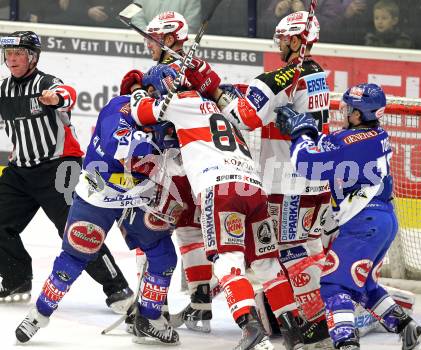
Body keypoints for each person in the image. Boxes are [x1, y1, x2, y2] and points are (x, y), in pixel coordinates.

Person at [130, 64, 308, 350]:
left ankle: (250, 328)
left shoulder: (177, 102)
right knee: (267, 264)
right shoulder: (216, 105)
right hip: (253, 186)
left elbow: (141, 113)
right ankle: (294, 334)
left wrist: (139, 91)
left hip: (220, 188)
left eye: (154, 89)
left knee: (227, 261)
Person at [185, 11, 333, 348]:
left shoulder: (280, 77)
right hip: (317, 180)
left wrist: (214, 90)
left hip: (287, 182)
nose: (279, 44)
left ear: (297, 40)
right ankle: (314, 321)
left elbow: (242, 119)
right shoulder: (318, 74)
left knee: (289, 255)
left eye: (283, 38)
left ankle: (317, 328)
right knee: (308, 249)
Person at [275, 82, 421, 350]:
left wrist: (300, 133)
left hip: (363, 224)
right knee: (365, 286)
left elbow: (307, 164)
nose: (344, 111)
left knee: (334, 285)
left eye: (348, 108)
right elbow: (332, 144)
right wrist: (311, 132)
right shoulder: (375, 136)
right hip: (382, 221)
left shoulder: (351, 142)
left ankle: (346, 344)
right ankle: (411, 332)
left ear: (358, 114)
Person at [14, 92, 181, 344]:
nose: (160, 106)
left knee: (164, 255)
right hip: (98, 195)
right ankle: (39, 313)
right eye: (155, 100)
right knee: (73, 258)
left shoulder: (167, 119)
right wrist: (161, 141)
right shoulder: (118, 107)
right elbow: (119, 147)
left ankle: (149, 318)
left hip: (137, 197)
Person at [0, 31, 132, 311]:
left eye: (18, 54)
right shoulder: (4, 89)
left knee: (77, 230)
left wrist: (54, 98)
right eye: (8, 55)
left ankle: (117, 287)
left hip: (60, 167)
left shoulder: (46, 83)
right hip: (20, 172)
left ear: (32, 57)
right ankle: (16, 278)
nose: (12, 59)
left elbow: (67, 95)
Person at [120, 11, 215, 333]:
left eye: (152, 38)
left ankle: (149, 308)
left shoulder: (162, 73)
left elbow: (142, 116)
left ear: (171, 39)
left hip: (169, 167)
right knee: (191, 232)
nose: (147, 45)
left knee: (147, 233)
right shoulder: (196, 70)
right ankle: (202, 308)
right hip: (195, 165)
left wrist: (137, 90)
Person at [130, 0, 201, 34]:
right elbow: (136, 18)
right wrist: (149, 35)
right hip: (145, 48)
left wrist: (166, 39)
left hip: (175, 53)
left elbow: (190, 26)